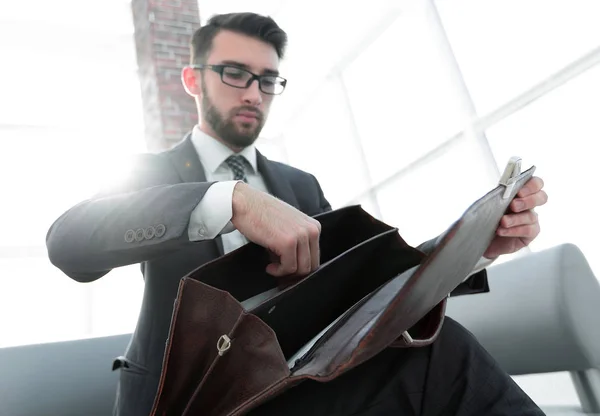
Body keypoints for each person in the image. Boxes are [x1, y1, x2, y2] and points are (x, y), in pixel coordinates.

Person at [46, 12, 548, 416]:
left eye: (267, 81)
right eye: (235, 73)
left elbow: (365, 290)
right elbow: (68, 242)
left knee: (436, 353)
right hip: (187, 399)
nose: (252, 93)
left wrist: (472, 249)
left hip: (298, 384)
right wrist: (230, 200)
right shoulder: (149, 172)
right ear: (193, 80)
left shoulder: (299, 185)